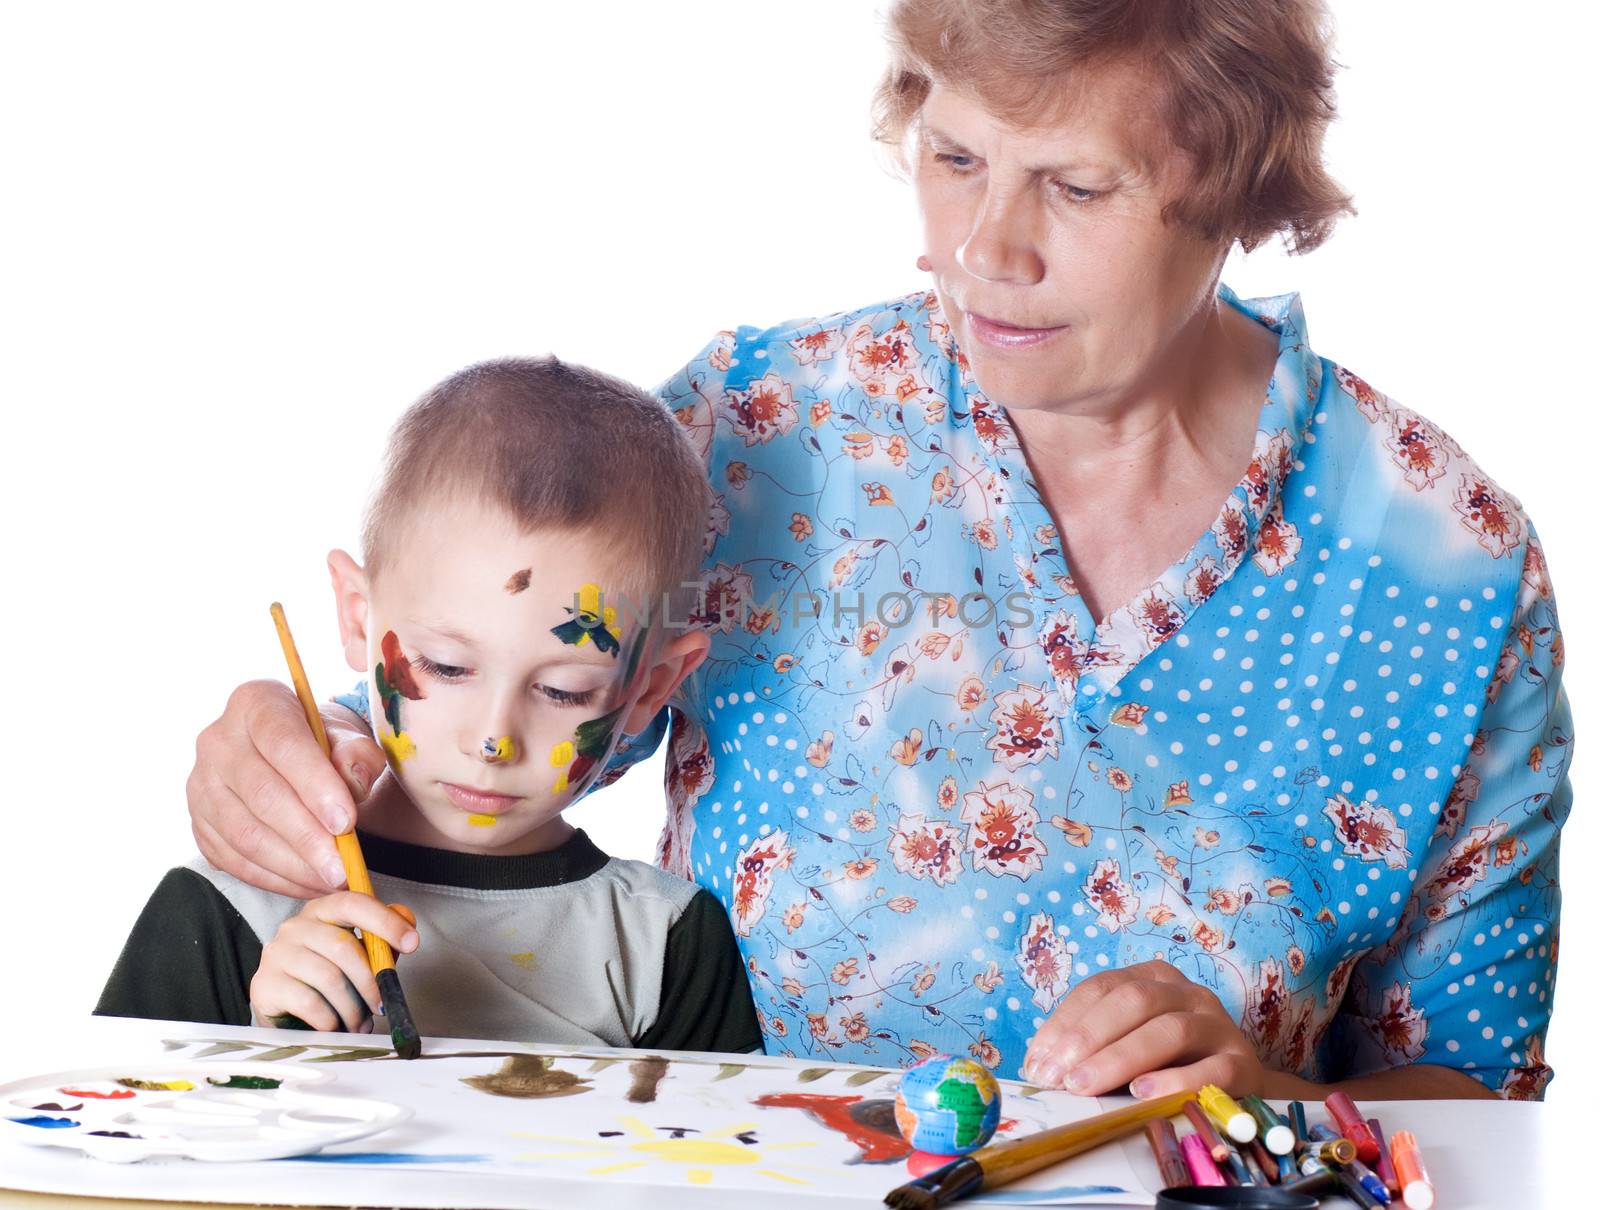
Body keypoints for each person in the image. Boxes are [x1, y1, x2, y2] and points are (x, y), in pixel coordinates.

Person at [183, 0, 1571, 1098]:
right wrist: (293, 756)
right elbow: (460, 752)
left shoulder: (1448, 567)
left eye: (1077, 188)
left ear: (1238, 184)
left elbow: (1474, 1104)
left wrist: (1261, 1091)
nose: (982, 249)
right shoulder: (760, 430)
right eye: (955, 158)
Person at [99, 358, 761, 1054]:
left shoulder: (665, 942)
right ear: (358, 618)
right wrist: (272, 1052)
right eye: (446, 667)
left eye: (564, 689)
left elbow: (714, 1158)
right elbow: (93, 1142)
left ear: (649, 688)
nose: (493, 740)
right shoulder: (226, 911)